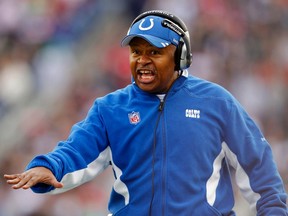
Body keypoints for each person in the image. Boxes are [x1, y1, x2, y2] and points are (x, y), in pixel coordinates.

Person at [4, 10, 288, 216]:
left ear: (180, 56)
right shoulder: (110, 109)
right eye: (136, 52)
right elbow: (77, 151)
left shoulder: (217, 102)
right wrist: (49, 167)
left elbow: (258, 167)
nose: (142, 60)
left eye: (154, 52)